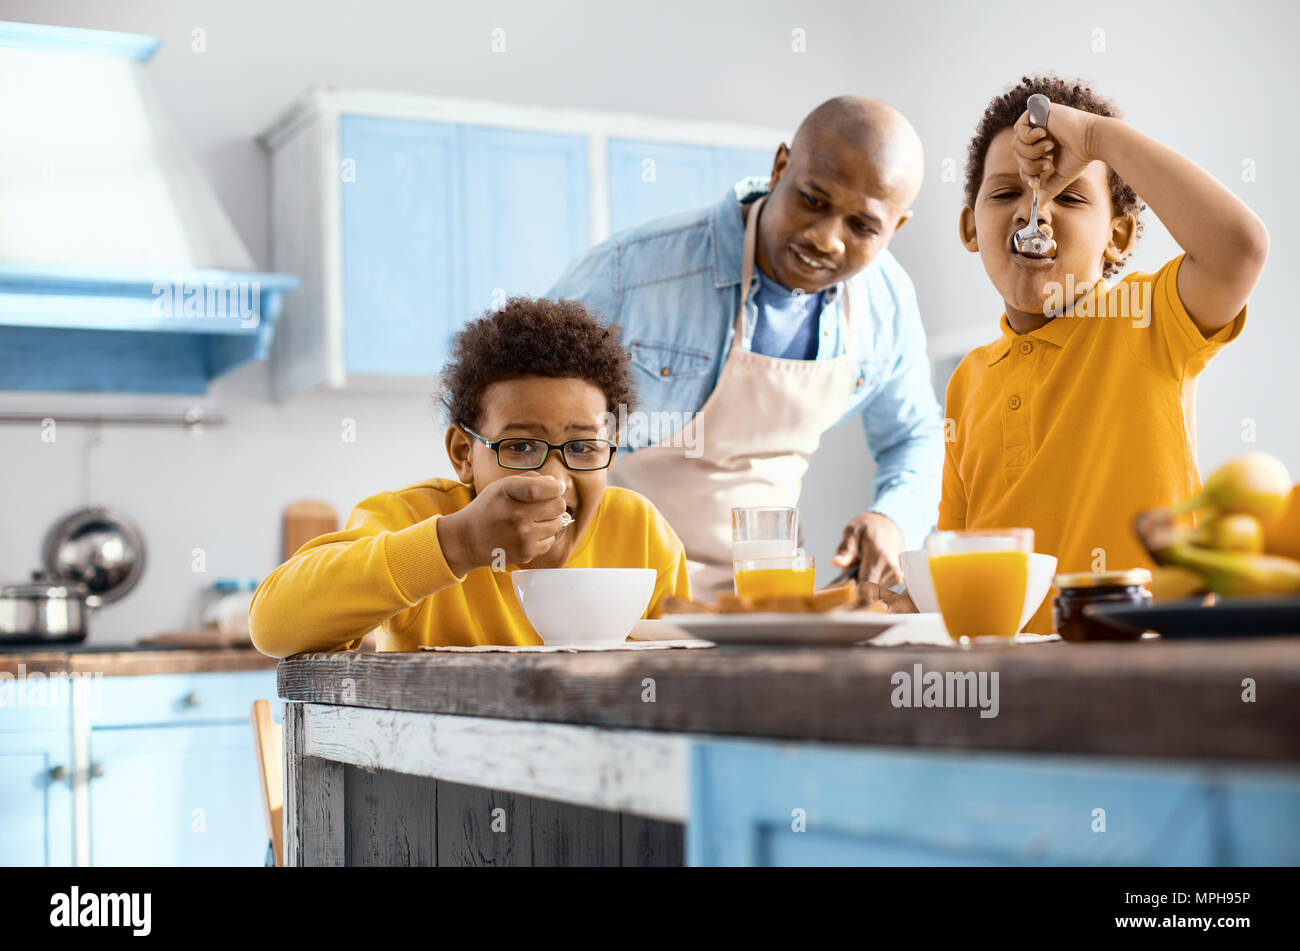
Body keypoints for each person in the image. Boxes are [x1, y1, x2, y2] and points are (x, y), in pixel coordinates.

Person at [548, 96, 944, 598]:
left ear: (895, 229)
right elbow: (528, 420)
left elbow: (913, 436)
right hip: (613, 591)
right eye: (814, 200)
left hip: (764, 601)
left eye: (862, 226)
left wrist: (893, 518)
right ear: (781, 168)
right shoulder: (630, 273)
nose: (826, 239)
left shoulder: (888, 302)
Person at [940, 75, 1268, 633]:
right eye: (1005, 194)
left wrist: (1095, 137)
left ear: (1117, 237)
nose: (1032, 212)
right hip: (1012, 685)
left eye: (1067, 196)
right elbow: (958, 554)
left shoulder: (1146, 321)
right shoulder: (967, 381)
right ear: (971, 227)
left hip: (1148, 669)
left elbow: (1238, 248)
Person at [248, 298, 690, 656]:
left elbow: (682, 674)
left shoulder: (643, 534)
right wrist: (457, 545)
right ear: (464, 453)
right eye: (520, 447)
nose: (554, 479)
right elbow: (272, 626)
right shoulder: (413, 518)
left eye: (581, 448)